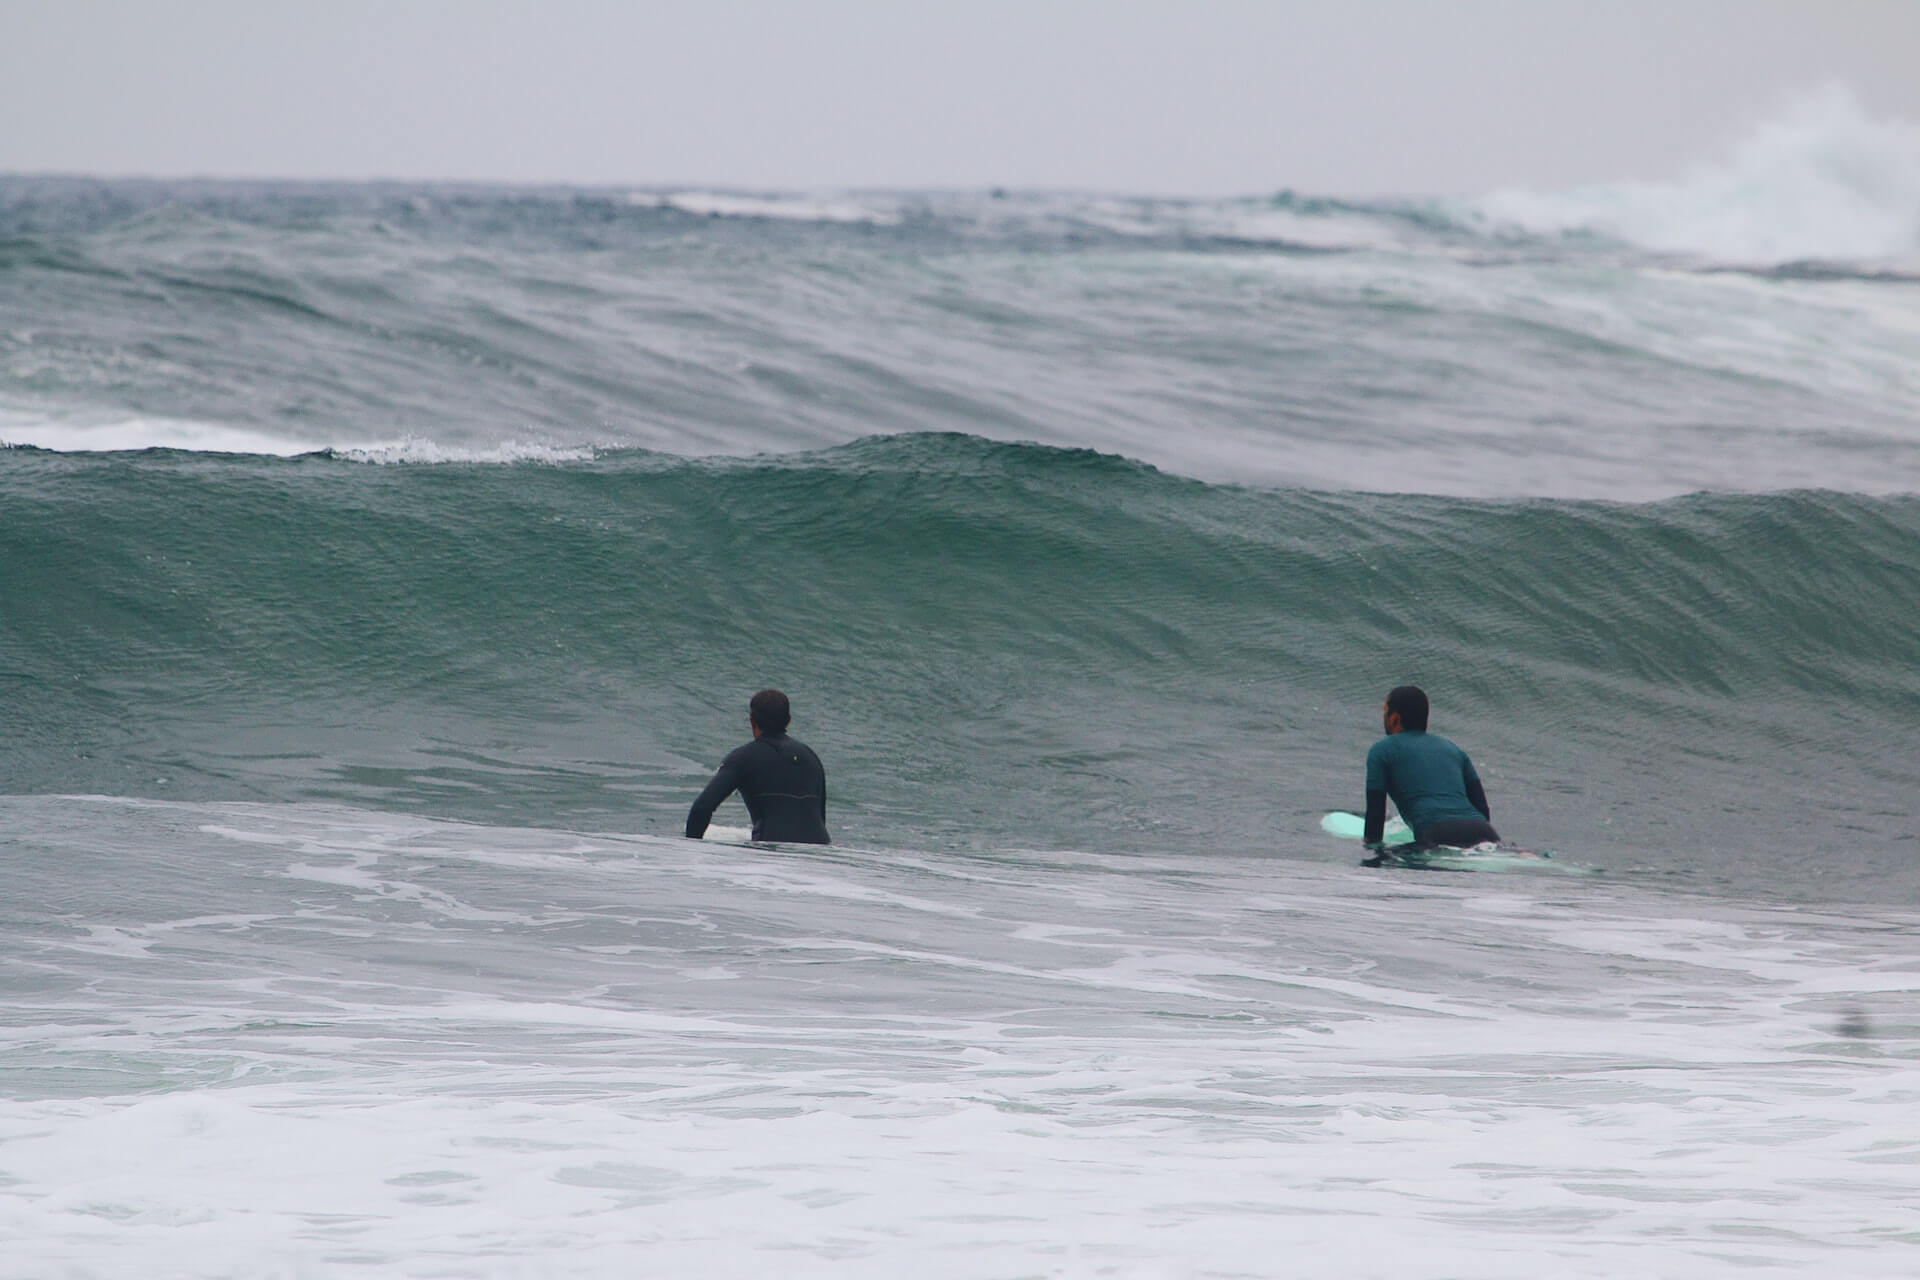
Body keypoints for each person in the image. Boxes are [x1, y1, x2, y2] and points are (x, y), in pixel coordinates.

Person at [1362, 685, 1498, 853]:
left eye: (1385, 712)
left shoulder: (1381, 750)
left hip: (1437, 833)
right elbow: (1481, 807)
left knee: (1391, 858)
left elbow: (1376, 812)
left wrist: (1370, 850)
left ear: (1394, 718)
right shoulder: (1453, 749)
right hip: (1483, 831)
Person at [685, 689, 831, 844]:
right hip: (817, 855)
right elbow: (819, 817)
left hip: (770, 854)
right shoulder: (811, 757)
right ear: (788, 720)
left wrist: (690, 854)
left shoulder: (741, 758)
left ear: (751, 721)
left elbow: (701, 809)